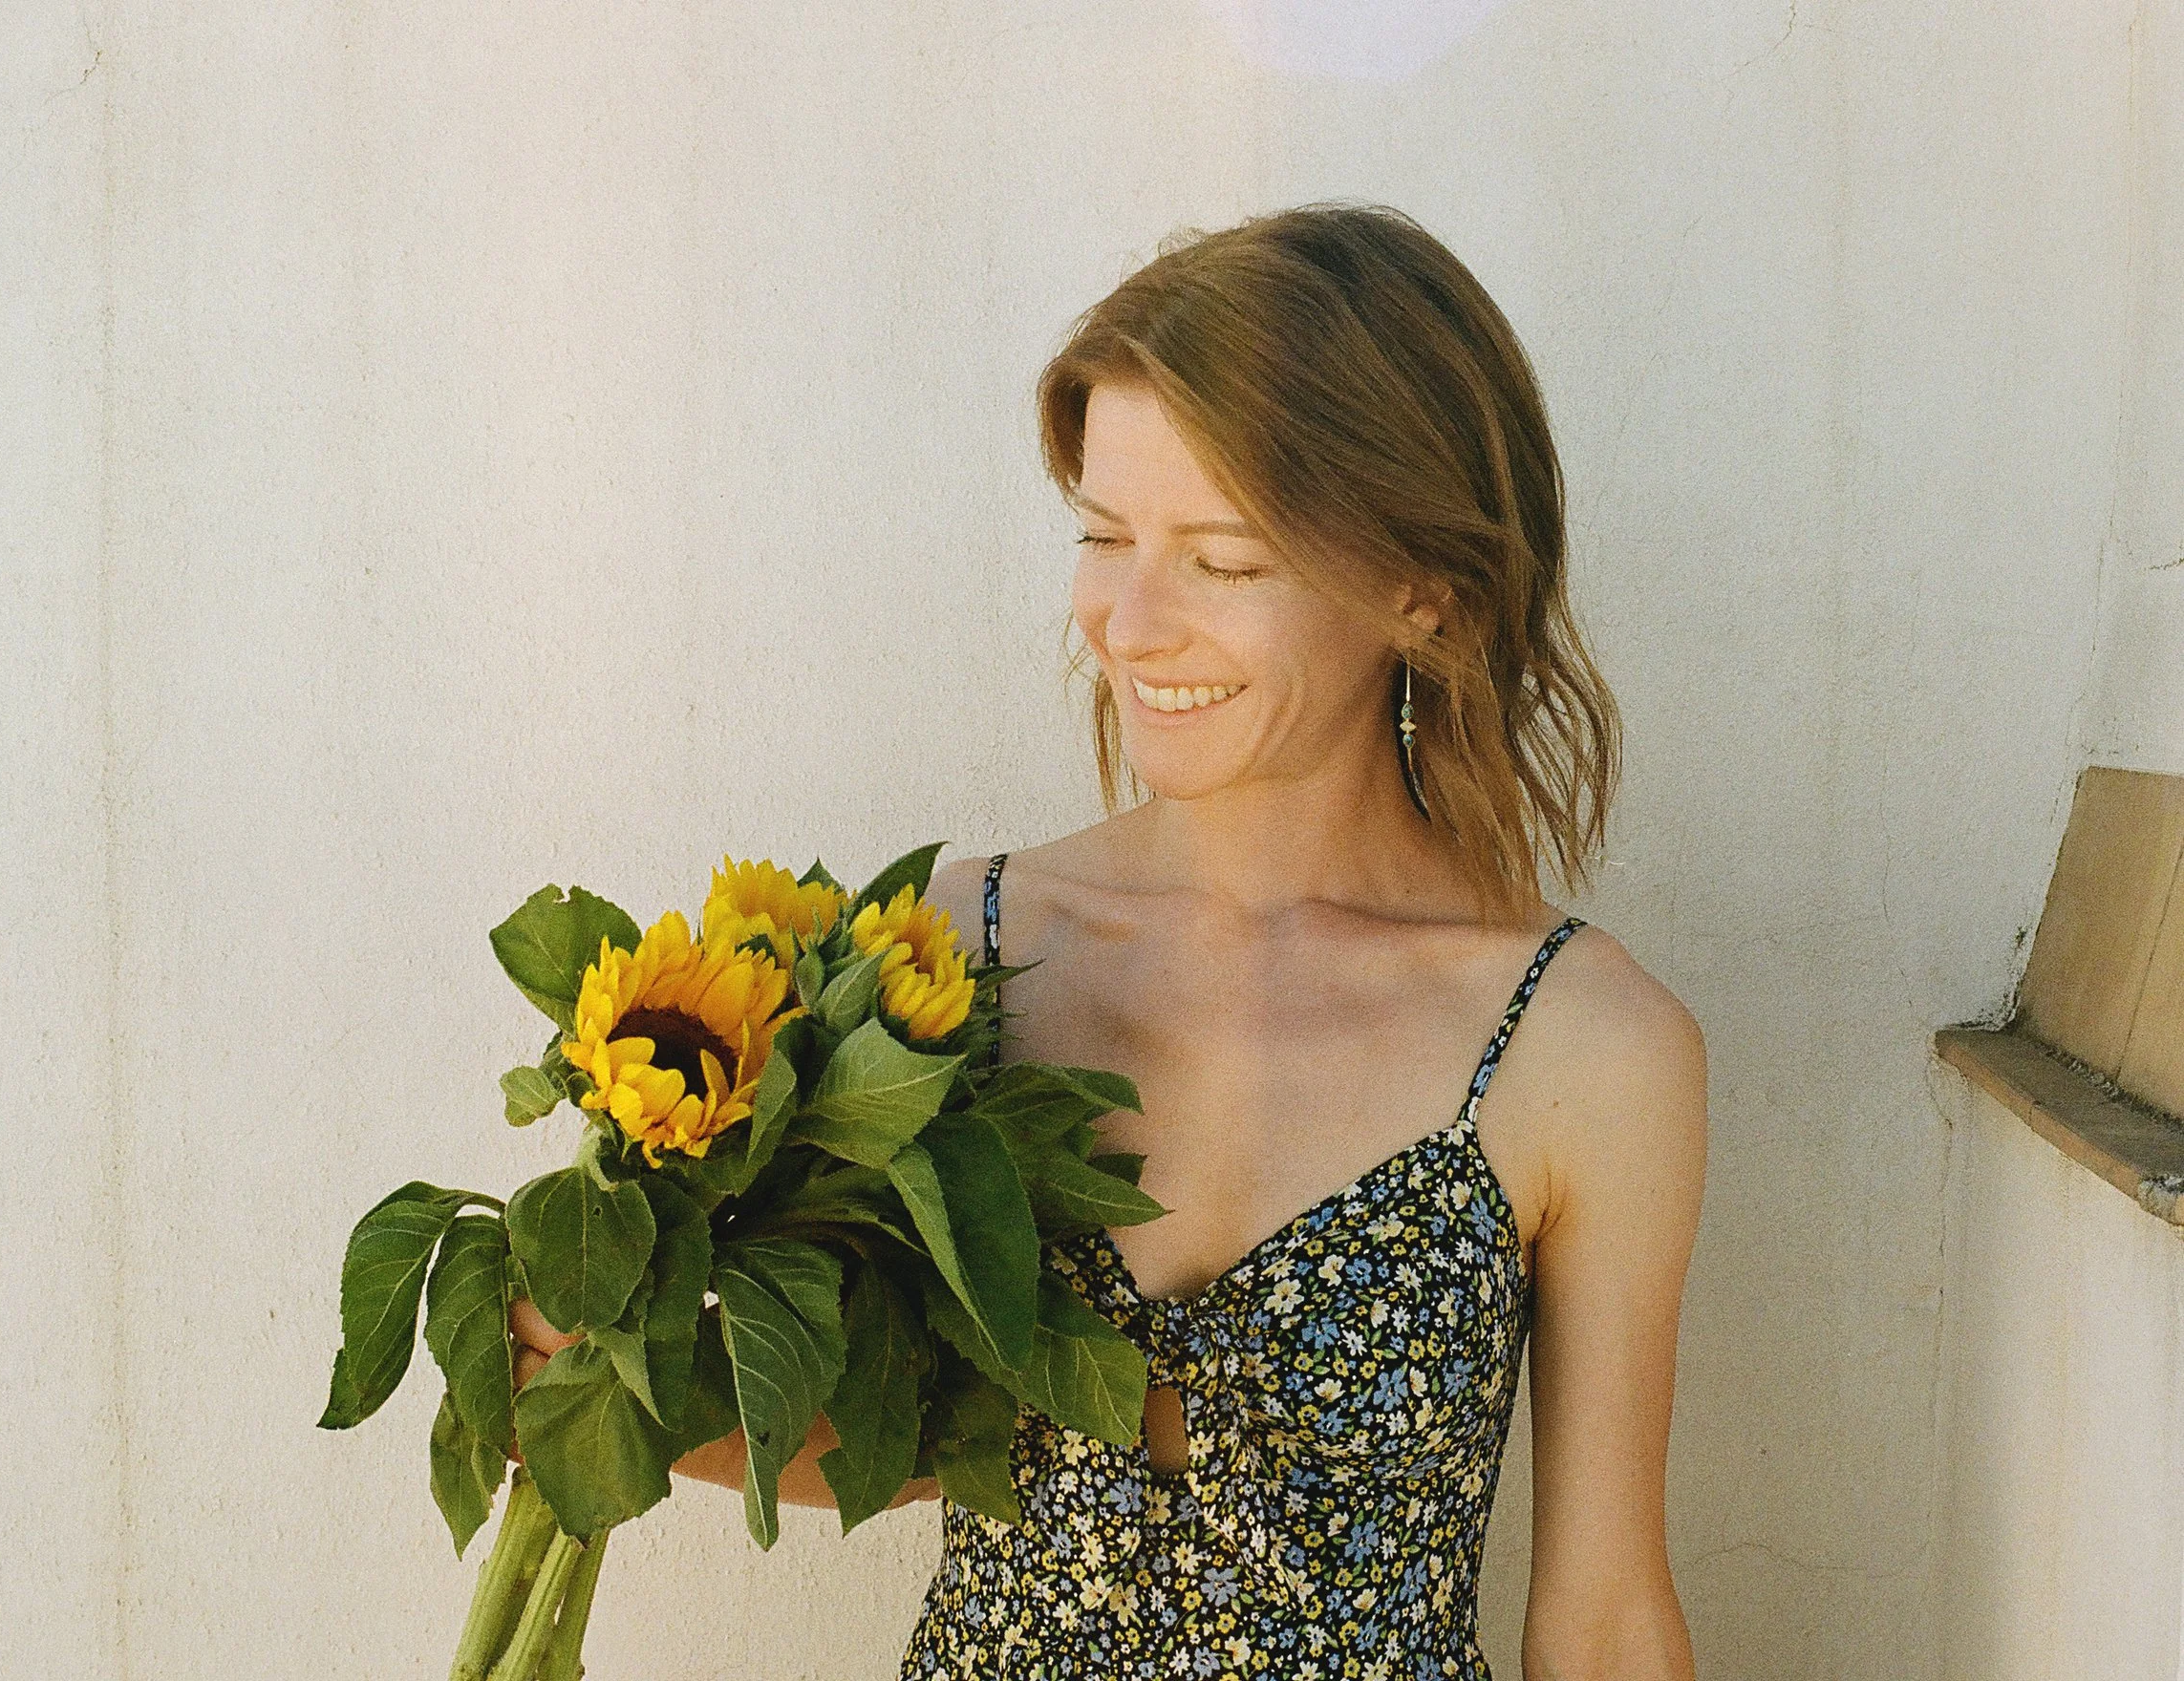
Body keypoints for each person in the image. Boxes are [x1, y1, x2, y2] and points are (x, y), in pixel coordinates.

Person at [515, 202, 1705, 1680]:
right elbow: (914, 1439)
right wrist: (588, 1371)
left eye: (1223, 559)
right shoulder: (952, 960)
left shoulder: (1585, 1046)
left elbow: (1601, 1618)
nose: (1129, 623)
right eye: (1103, 535)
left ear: (1423, 588)